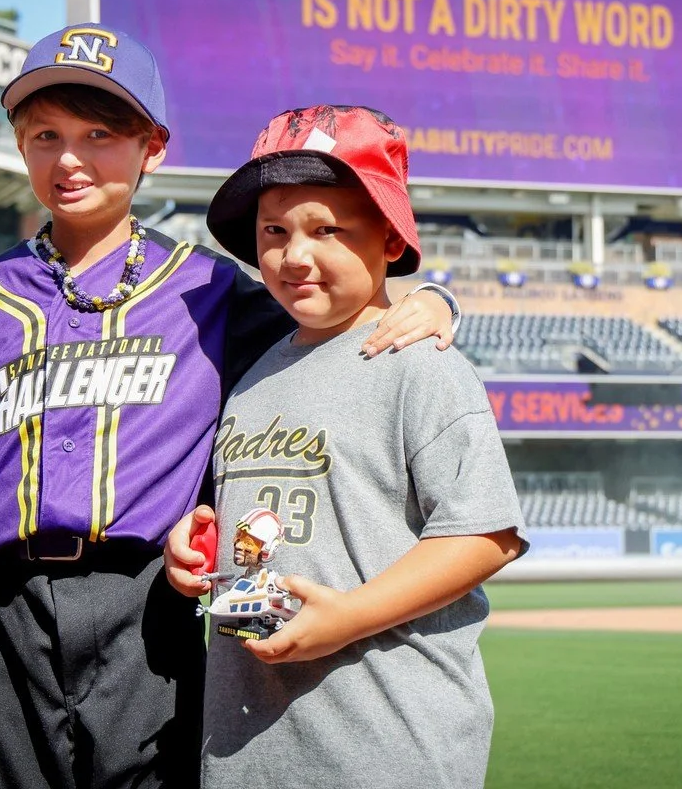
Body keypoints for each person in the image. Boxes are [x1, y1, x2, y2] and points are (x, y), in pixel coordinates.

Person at [0, 25, 458, 789]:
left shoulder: (209, 290)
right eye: (44, 135)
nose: (69, 159)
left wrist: (431, 295)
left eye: (100, 134)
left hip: (146, 607)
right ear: (20, 146)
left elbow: (339, 308)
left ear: (151, 147)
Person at [164, 104, 528, 789]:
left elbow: (487, 534)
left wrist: (345, 619)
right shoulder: (251, 378)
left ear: (390, 241)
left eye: (326, 230)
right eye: (273, 231)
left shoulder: (418, 360)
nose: (293, 255)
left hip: (387, 745)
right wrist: (200, 540)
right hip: (251, 749)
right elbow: (261, 527)